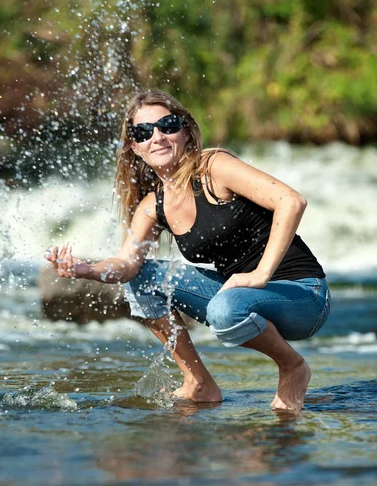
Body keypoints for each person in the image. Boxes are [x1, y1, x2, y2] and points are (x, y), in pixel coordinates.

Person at [46, 89, 330, 413]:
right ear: (134, 147)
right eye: (143, 132)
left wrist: (260, 274)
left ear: (185, 130)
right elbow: (126, 264)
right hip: (240, 297)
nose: (157, 137)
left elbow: (291, 201)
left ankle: (293, 367)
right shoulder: (153, 206)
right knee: (144, 277)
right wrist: (87, 270)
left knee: (225, 309)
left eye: (167, 125)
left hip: (302, 295)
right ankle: (198, 382)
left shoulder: (213, 167)